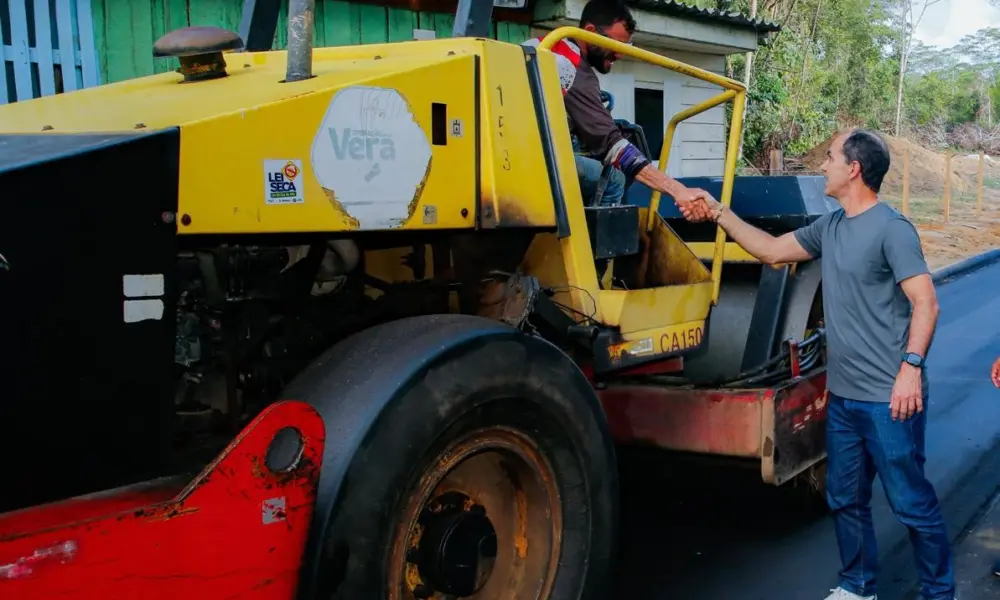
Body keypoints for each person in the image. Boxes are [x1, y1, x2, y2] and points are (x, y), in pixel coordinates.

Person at [679, 129, 954, 600]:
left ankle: (938, 593)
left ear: (854, 169)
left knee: (910, 503)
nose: (821, 165)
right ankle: (857, 586)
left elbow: (926, 303)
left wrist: (910, 368)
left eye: (830, 158)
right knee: (845, 498)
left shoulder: (893, 229)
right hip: (845, 398)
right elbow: (770, 251)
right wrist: (720, 212)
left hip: (891, 400)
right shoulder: (830, 228)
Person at [521, 0, 712, 209]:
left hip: (513, 151)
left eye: (625, 47)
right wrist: (678, 190)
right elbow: (611, 144)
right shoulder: (570, 66)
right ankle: (601, 240)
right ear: (590, 31)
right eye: (614, 45)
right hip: (529, 162)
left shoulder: (543, 44)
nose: (619, 54)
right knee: (614, 178)